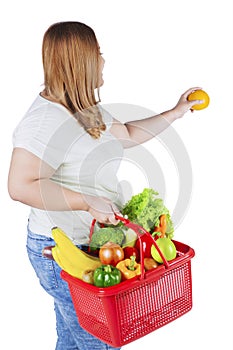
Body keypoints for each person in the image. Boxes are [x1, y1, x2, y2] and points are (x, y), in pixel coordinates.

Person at [8, 21, 202, 350]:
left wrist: (175, 113)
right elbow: (20, 185)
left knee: (74, 340)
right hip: (62, 252)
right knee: (100, 344)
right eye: (98, 53)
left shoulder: (82, 108)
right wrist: (87, 201)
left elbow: (125, 133)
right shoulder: (44, 121)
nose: (102, 61)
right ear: (81, 60)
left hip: (92, 245)